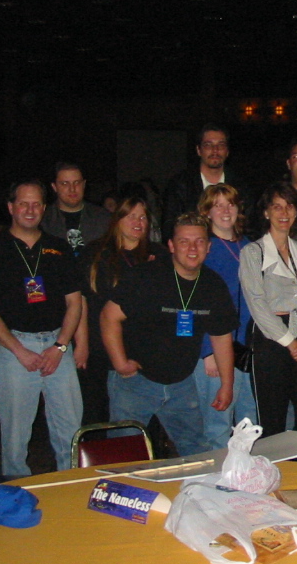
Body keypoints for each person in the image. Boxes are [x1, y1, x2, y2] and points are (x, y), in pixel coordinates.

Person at [101, 213, 237, 457]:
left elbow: (221, 336)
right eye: (184, 241)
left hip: (181, 384)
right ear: (172, 246)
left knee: (196, 453)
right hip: (135, 383)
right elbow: (109, 317)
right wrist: (120, 363)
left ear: (208, 247)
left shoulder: (213, 286)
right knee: (124, 455)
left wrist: (227, 385)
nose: (192, 248)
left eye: (199, 241)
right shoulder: (146, 276)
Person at [0, 180, 84, 477]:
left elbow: (75, 303)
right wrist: (19, 351)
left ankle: (69, 489)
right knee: (15, 436)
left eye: (36, 204)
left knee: (70, 431)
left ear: (44, 208)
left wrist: (60, 346)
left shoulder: (59, 247)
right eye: (23, 203)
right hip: (15, 350)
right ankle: (16, 493)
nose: (30, 209)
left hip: (57, 347)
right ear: (11, 207)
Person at [239, 182, 297, 436]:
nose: (284, 212)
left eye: (289, 206)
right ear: (266, 212)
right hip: (270, 339)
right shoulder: (252, 253)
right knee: (272, 420)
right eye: (276, 207)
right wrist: (291, 343)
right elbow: (257, 304)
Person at [78, 196, 165, 424]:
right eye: (131, 216)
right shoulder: (95, 252)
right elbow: (82, 301)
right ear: (117, 219)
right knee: (97, 414)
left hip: (141, 351)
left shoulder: (158, 254)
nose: (138, 222)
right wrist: (81, 345)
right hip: (99, 349)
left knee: (140, 420)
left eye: (143, 217)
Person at [195, 183, 257, 449]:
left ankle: (247, 472)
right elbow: (195, 302)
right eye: (217, 205)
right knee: (217, 423)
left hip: (246, 348)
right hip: (216, 347)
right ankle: (218, 474)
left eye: (229, 204)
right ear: (207, 212)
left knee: (249, 421)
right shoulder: (203, 249)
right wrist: (207, 351)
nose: (225, 210)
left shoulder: (250, 246)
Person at [163, 125, 251, 240]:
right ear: (199, 150)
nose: (215, 150)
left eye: (221, 145)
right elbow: (169, 227)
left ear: (227, 151)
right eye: (208, 145)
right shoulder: (180, 185)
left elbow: (250, 226)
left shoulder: (241, 186)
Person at [41, 162, 110, 259]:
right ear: (54, 187)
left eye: (77, 183)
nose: (72, 189)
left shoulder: (103, 218)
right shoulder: (43, 220)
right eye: (65, 184)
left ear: (84, 184)